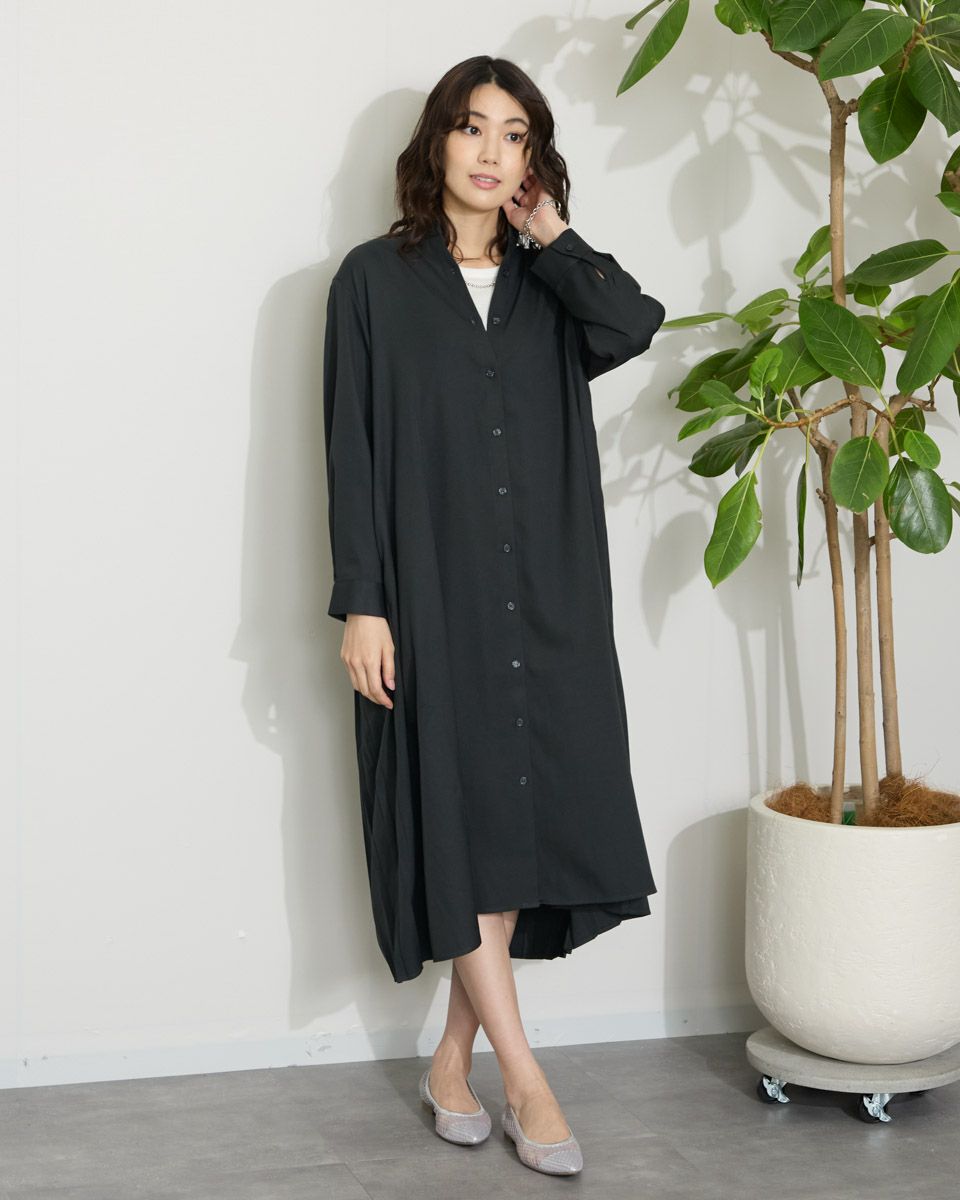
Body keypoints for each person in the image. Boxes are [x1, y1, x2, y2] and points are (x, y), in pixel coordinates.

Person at [322, 55, 666, 1176]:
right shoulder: (372, 284)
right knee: (462, 817)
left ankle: (452, 1060)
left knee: (516, 823)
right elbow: (351, 453)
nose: (489, 151)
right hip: (432, 598)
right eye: (472, 128)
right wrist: (364, 603)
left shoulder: (548, 286)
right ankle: (527, 1079)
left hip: (550, 593)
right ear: (437, 141)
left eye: (514, 135)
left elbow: (635, 321)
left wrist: (552, 235)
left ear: (533, 161)